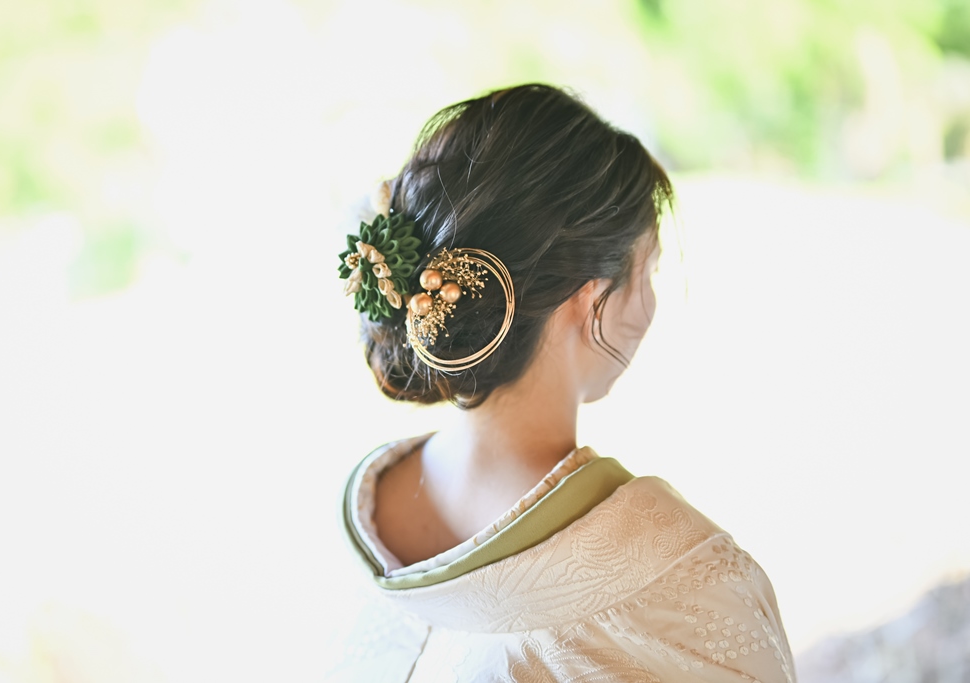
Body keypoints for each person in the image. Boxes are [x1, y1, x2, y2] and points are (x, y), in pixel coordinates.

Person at [331, 84, 794, 682]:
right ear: (590, 302)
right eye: (646, 270)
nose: (650, 300)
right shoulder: (688, 586)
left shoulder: (357, 523)